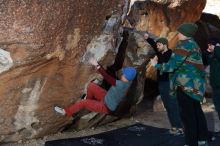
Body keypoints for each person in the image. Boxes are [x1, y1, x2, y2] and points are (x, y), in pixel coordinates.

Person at [150, 23, 209, 146]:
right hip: (196, 86)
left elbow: (172, 65)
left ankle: (191, 142)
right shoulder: (194, 43)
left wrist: (156, 65)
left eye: (180, 32)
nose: (178, 34)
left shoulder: (184, 45)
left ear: (186, 34)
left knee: (188, 116)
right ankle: (202, 139)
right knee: (197, 112)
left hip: (185, 85)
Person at [54, 57, 136, 117]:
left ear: (126, 77)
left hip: (106, 107)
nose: (122, 74)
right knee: (91, 86)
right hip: (107, 97)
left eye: (124, 74)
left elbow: (106, 76)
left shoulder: (120, 84)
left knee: (83, 102)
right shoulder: (128, 82)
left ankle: (65, 112)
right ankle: (89, 102)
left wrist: (96, 64)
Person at [144, 33, 183, 135]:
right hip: (162, 83)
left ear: (164, 45)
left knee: (173, 105)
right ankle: (174, 127)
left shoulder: (171, 54)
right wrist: (148, 38)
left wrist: (156, 65)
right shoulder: (160, 53)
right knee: (168, 106)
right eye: (157, 46)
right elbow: (154, 45)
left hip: (169, 83)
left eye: (159, 45)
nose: (157, 47)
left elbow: (168, 68)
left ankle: (180, 128)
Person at [205, 37, 220, 129]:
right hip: (215, 87)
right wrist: (208, 51)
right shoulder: (213, 55)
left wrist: (217, 47)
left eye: (210, 45)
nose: (209, 47)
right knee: (218, 109)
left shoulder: (218, 53)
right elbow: (206, 60)